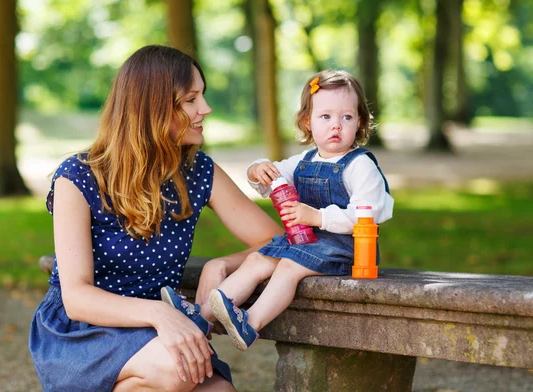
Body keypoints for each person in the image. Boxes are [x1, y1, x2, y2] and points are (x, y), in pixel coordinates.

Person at [28, 45, 282, 392]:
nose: (205, 109)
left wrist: (219, 265)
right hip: (84, 329)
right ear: (153, 106)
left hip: (158, 331)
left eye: (202, 97)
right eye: (191, 99)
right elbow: (77, 297)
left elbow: (277, 242)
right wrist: (162, 315)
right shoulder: (78, 176)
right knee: (178, 371)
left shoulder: (198, 171)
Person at [169, 69, 394, 351]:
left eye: (346, 117)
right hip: (305, 244)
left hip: (345, 250)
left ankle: (250, 323)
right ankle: (201, 317)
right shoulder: (304, 160)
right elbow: (272, 180)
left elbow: (368, 215)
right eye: (326, 117)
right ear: (307, 122)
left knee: (287, 267)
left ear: (359, 121)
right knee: (255, 261)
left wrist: (317, 217)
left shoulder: (360, 165)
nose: (336, 125)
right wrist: (257, 169)